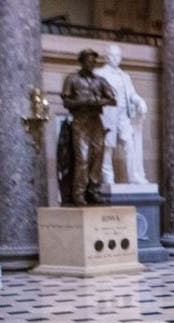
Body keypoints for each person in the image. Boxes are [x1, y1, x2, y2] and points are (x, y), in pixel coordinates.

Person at [60, 49, 117, 206]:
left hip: (96, 120)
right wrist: (83, 102)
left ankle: (93, 191)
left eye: (93, 61)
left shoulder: (100, 81)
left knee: (97, 156)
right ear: (81, 61)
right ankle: (78, 193)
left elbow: (113, 99)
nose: (91, 64)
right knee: (82, 158)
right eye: (88, 61)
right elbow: (66, 102)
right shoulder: (72, 79)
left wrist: (98, 102)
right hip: (80, 120)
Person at [95, 44, 148, 185]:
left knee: (129, 143)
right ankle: (107, 176)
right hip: (107, 113)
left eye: (118, 56)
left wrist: (140, 101)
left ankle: (134, 176)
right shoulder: (99, 74)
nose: (116, 59)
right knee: (108, 145)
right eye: (113, 55)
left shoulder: (125, 76)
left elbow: (131, 94)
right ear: (106, 57)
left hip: (123, 113)